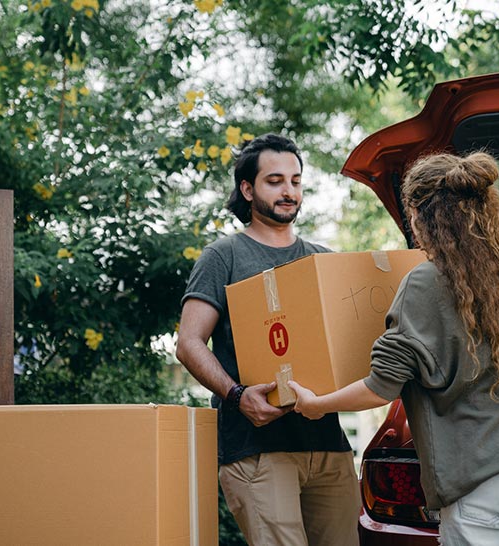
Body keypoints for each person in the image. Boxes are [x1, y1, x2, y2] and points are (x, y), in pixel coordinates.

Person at [290, 151, 499, 546]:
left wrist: (316, 404)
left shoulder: (424, 283)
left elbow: (381, 387)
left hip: (483, 477)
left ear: (420, 216)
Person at [176, 133, 361, 545]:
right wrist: (238, 395)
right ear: (247, 188)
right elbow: (188, 343)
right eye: (275, 181)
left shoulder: (323, 260)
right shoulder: (224, 256)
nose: (289, 191)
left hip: (328, 444)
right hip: (257, 448)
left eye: (296, 181)